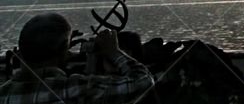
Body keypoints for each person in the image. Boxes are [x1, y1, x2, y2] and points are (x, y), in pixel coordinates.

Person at [0, 12, 154, 104]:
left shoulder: (4, 93)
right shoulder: (75, 88)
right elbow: (143, 81)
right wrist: (113, 51)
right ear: (63, 50)